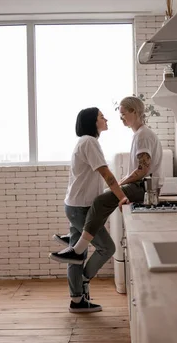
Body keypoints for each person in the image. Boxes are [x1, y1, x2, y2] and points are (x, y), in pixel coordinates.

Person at [49, 96, 163, 267]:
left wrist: (122, 183)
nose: (120, 118)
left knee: (101, 200)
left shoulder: (142, 135)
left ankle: (78, 250)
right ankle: (80, 236)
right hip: (141, 185)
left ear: (135, 112)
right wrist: (121, 184)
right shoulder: (139, 135)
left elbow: (143, 169)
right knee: (103, 198)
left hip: (144, 187)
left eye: (123, 113)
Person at [56, 107, 129, 313]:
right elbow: (106, 173)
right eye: (101, 116)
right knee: (107, 248)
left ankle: (77, 300)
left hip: (75, 205)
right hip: (81, 208)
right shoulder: (90, 141)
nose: (105, 119)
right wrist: (121, 196)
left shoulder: (85, 142)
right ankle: (83, 281)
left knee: (76, 253)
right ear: (92, 122)